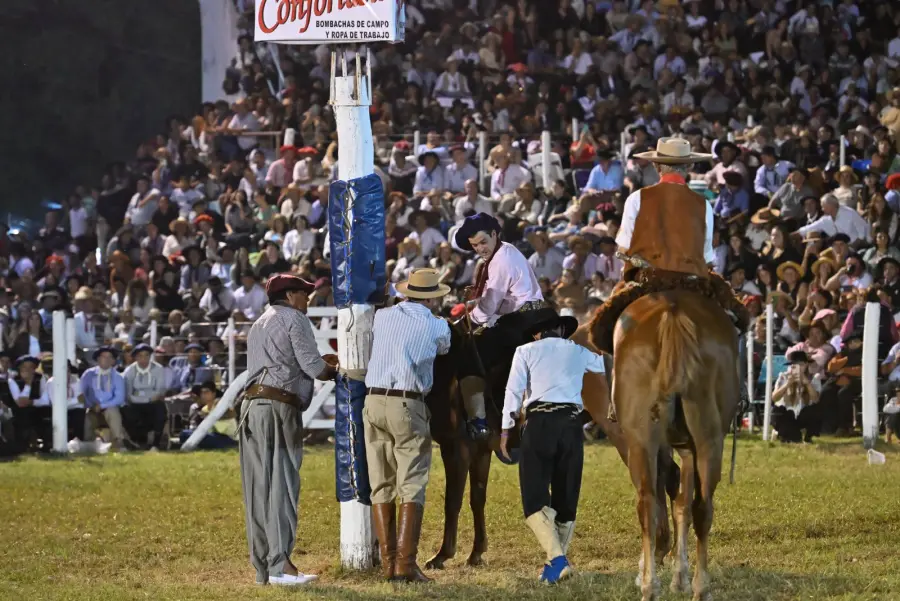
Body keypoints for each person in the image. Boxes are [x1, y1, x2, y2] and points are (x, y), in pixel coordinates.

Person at [593, 137, 750, 353]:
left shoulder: (636, 198)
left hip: (648, 280)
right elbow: (706, 258)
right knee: (735, 322)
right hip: (692, 282)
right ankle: (738, 383)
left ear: (657, 166)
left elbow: (623, 248)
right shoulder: (703, 204)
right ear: (690, 166)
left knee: (604, 328)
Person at [239, 273, 337, 586]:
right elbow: (312, 366)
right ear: (291, 295)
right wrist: (334, 370)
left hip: (251, 407)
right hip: (278, 407)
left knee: (258, 490)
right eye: (304, 294)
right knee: (282, 484)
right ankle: (281, 566)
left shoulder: (259, 323)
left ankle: (264, 569)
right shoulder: (295, 319)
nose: (308, 300)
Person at [500, 312, 607, 584]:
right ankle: (553, 564)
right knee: (566, 496)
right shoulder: (578, 351)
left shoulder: (525, 351)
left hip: (539, 424)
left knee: (534, 497)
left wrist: (505, 429)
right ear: (561, 330)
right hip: (571, 426)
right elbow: (604, 365)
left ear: (538, 333)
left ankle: (557, 560)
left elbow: (513, 391)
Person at [364, 268, 451, 583]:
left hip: (373, 400)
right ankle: (405, 564)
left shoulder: (383, 317)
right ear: (432, 298)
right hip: (407, 402)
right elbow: (444, 348)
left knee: (381, 482)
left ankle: (389, 564)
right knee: (411, 482)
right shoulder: (436, 324)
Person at [454, 212, 559, 441]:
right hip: (538, 314)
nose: (480, 249)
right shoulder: (507, 250)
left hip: (522, 321)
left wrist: (465, 321)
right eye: (475, 245)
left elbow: (490, 306)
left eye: (483, 242)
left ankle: (479, 420)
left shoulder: (500, 260)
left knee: (469, 355)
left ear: (494, 234)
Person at [81, 347, 130, 451]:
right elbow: (83, 393)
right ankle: (89, 443)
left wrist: (102, 406)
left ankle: (119, 441)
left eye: (110, 357)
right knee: (86, 416)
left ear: (113, 361)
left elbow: (119, 398)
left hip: (109, 408)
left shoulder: (117, 377)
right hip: (92, 407)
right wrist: (91, 405)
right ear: (98, 359)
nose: (106, 359)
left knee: (112, 411)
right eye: (104, 357)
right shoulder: (88, 374)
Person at [122, 343, 168, 450]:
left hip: (153, 403)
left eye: (146, 355)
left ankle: (156, 443)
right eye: (140, 356)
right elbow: (128, 395)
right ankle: (137, 441)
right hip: (136, 404)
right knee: (127, 411)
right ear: (136, 357)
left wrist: (139, 395)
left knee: (160, 408)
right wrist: (147, 397)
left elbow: (159, 391)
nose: (144, 359)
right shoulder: (129, 371)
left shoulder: (158, 369)